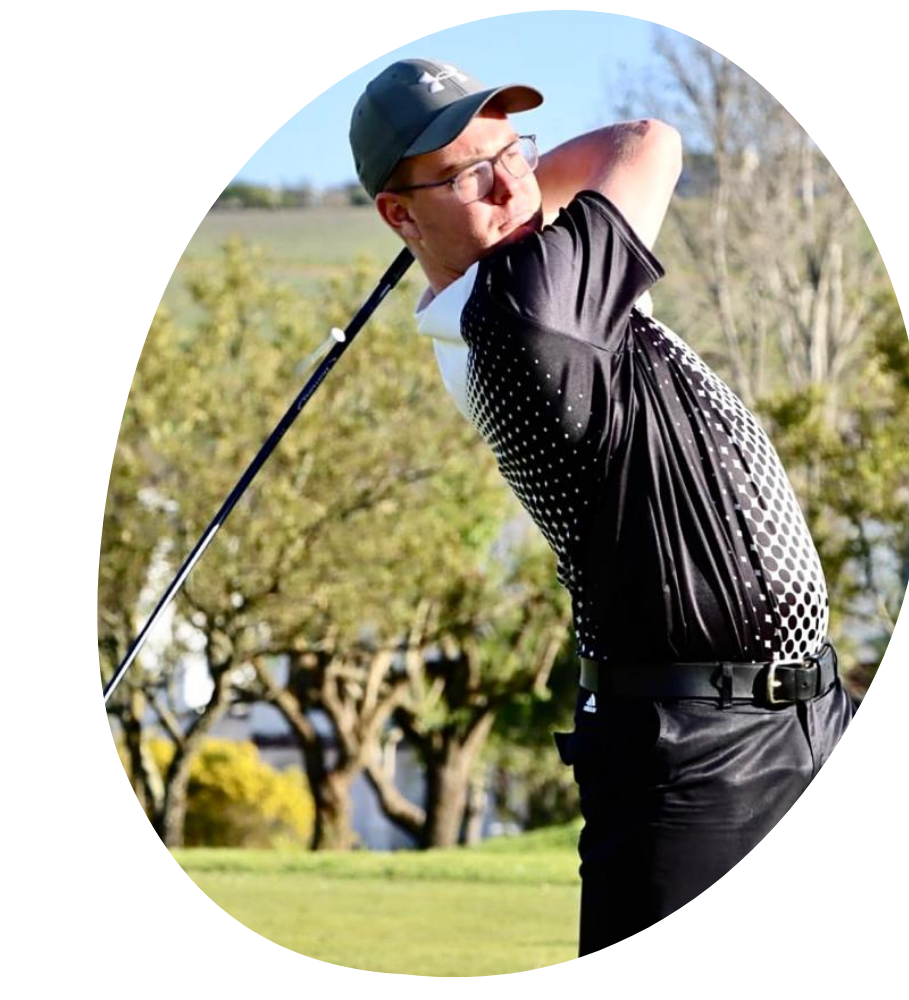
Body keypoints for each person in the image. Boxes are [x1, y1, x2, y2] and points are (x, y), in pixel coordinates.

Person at [349, 58, 855, 957]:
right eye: (471, 174)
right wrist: (517, 189)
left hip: (807, 712)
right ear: (399, 215)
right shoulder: (526, 308)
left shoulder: (514, 289)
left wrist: (477, 191)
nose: (512, 184)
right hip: (695, 756)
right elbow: (646, 142)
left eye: (515, 152)